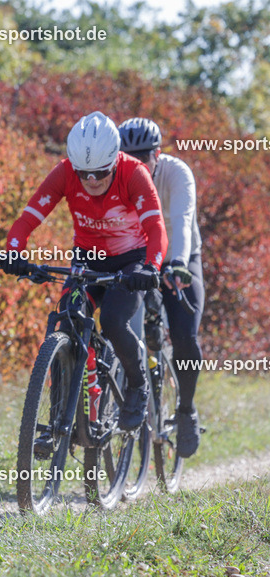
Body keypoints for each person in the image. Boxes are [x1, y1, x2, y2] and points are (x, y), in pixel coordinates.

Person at [0, 111, 168, 431]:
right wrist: (14, 252)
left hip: (130, 262)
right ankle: (57, 419)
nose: (91, 181)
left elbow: (156, 228)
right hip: (87, 259)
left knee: (114, 322)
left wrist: (151, 268)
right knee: (67, 319)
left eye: (100, 173)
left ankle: (137, 385)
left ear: (116, 161)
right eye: (84, 174)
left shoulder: (135, 174)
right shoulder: (64, 173)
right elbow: (28, 219)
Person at [118, 117, 204, 456]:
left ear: (158, 153)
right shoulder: (119, 175)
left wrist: (179, 264)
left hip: (180, 257)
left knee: (185, 336)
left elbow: (182, 220)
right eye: (131, 157)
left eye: (145, 158)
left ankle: (186, 409)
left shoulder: (177, 172)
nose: (138, 165)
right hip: (140, 258)